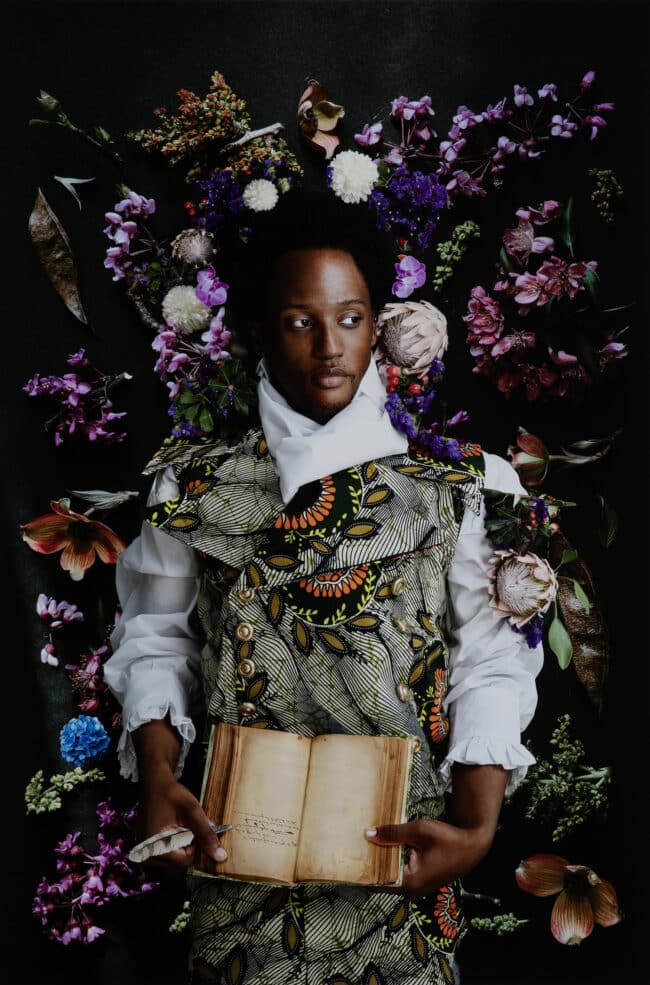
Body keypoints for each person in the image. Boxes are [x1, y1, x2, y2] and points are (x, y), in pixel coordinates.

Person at [104, 188, 543, 985]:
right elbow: (158, 636)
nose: (330, 345)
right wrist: (160, 773)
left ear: (379, 323)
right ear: (257, 331)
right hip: (236, 861)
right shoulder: (190, 488)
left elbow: (489, 657)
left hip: (404, 857)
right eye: (301, 320)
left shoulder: (460, 487)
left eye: (351, 317)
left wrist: (478, 826)